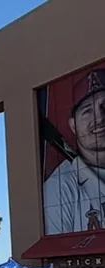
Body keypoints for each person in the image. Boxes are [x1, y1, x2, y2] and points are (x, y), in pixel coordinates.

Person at [43, 68, 105, 235]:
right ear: (73, 126)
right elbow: (57, 248)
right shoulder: (59, 187)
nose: (100, 118)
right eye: (87, 111)